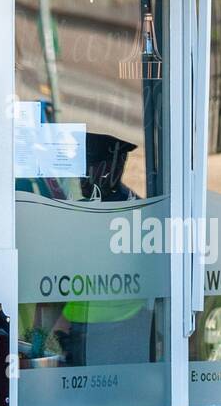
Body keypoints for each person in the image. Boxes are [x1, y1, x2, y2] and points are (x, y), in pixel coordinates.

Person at [49, 132, 154, 367]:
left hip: (104, 327)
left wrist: (60, 324)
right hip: (107, 324)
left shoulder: (111, 211)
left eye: (87, 172)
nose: (82, 180)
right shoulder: (131, 205)